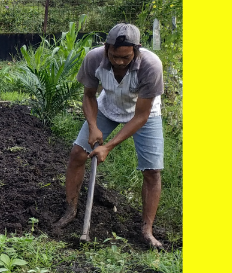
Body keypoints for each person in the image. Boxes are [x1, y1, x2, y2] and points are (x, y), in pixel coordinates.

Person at [58, 22, 167, 248]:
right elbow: (89, 96)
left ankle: (147, 229)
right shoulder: (94, 58)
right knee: (78, 154)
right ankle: (71, 209)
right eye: (114, 56)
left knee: (152, 170)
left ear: (136, 50)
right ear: (106, 47)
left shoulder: (151, 66)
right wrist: (93, 125)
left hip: (143, 113)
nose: (118, 61)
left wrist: (108, 146)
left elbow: (141, 115)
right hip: (107, 107)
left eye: (125, 58)